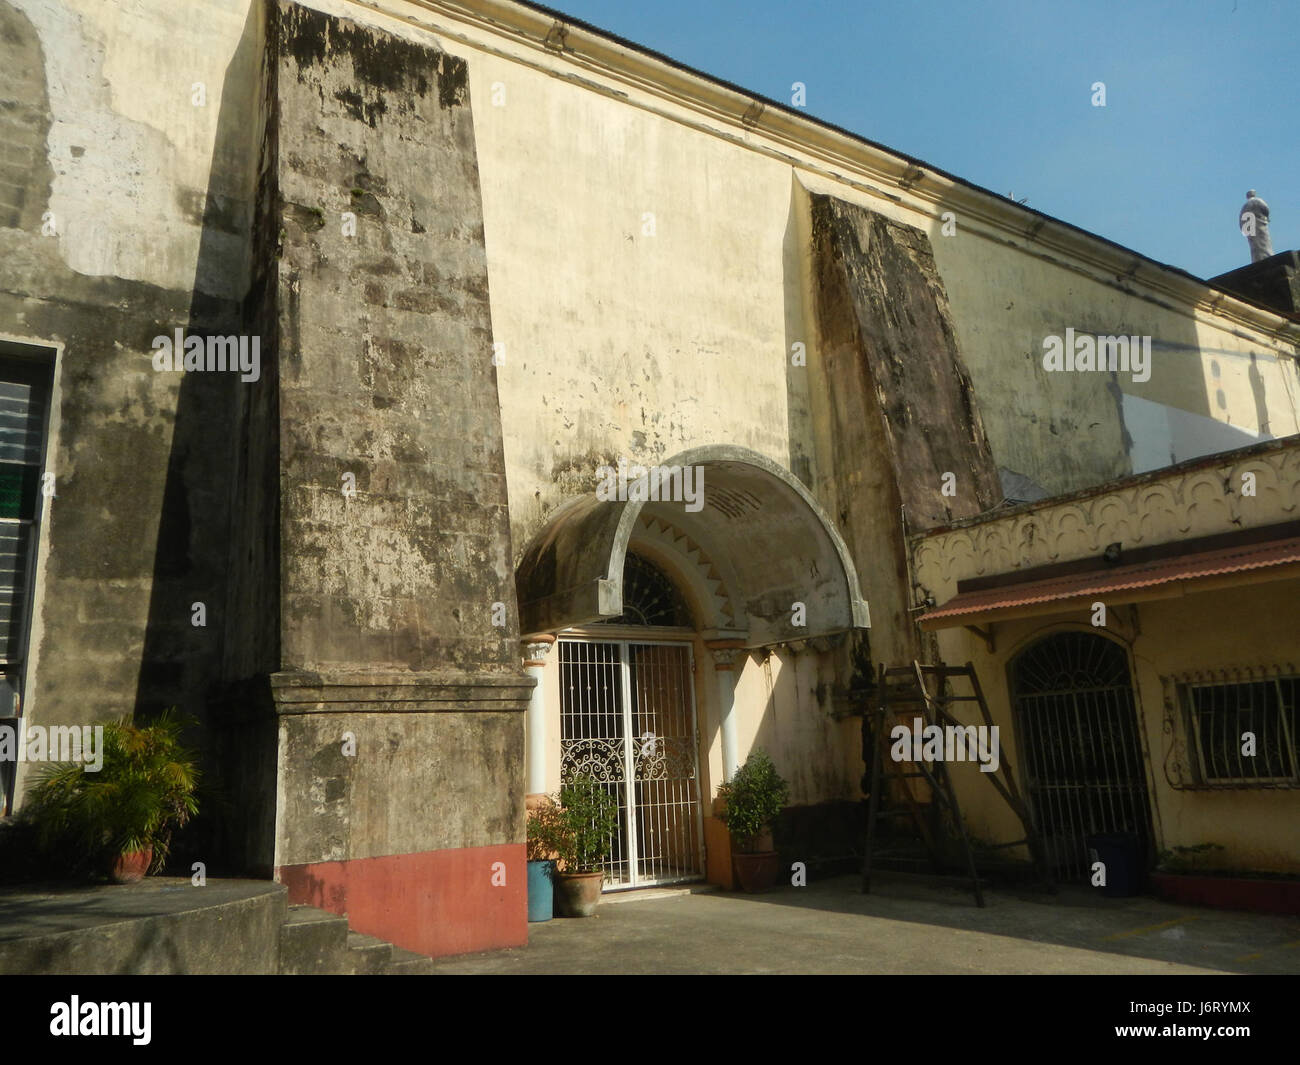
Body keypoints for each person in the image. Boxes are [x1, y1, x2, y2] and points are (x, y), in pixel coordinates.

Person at [1239, 190, 1273, 262]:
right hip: (1259, 224)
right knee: (1263, 240)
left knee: (1254, 244)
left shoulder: (1244, 206)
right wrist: (1267, 217)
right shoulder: (1258, 200)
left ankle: (1257, 258)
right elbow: (1266, 208)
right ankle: (1266, 256)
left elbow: (1241, 220)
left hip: (1250, 228)